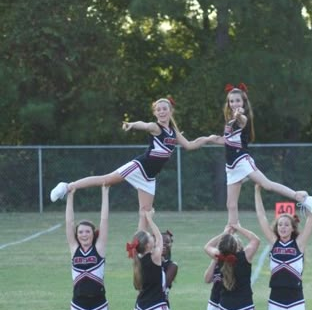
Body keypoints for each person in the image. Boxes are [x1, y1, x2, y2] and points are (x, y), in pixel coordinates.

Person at [50, 97, 216, 230]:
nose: (162, 111)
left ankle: (139, 248)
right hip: (139, 167)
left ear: (171, 111)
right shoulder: (155, 127)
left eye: (165, 109)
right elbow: (142, 125)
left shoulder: (173, 132)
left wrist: (207, 139)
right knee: (106, 180)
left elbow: (189, 145)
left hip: (150, 178)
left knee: (145, 213)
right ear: (155, 113)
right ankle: (67, 186)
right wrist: (131, 124)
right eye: (158, 109)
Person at [208, 83, 312, 226]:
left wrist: (238, 115)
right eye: (232, 101)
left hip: (241, 160)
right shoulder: (229, 120)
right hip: (231, 166)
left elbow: (242, 120)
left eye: (238, 100)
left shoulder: (242, 117)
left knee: (267, 185)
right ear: (228, 103)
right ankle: (231, 234)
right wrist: (209, 139)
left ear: (243, 102)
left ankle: (300, 197)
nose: (234, 103)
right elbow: (228, 140)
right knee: (231, 205)